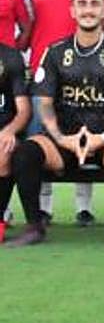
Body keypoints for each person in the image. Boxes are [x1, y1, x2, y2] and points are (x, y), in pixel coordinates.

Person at [6, 0, 104, 247]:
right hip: (65, 139)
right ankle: (34, 226)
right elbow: (45, 104)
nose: (88, 10)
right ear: (72, 10)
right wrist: (59, 137)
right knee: (25, 153)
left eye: (94, 4)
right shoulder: (55, 51)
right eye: (82, 4)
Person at [22, 0, 104, 226]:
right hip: (42, 70)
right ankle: (43, 207)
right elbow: (26, 22)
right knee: (41, 136)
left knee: (85, 133)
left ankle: (83, 207)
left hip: (88, 72)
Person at [0, 43, 31, 244]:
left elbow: (23, 110)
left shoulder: (11, 57)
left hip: (4, 131)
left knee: (2, 150)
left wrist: (9, 130)